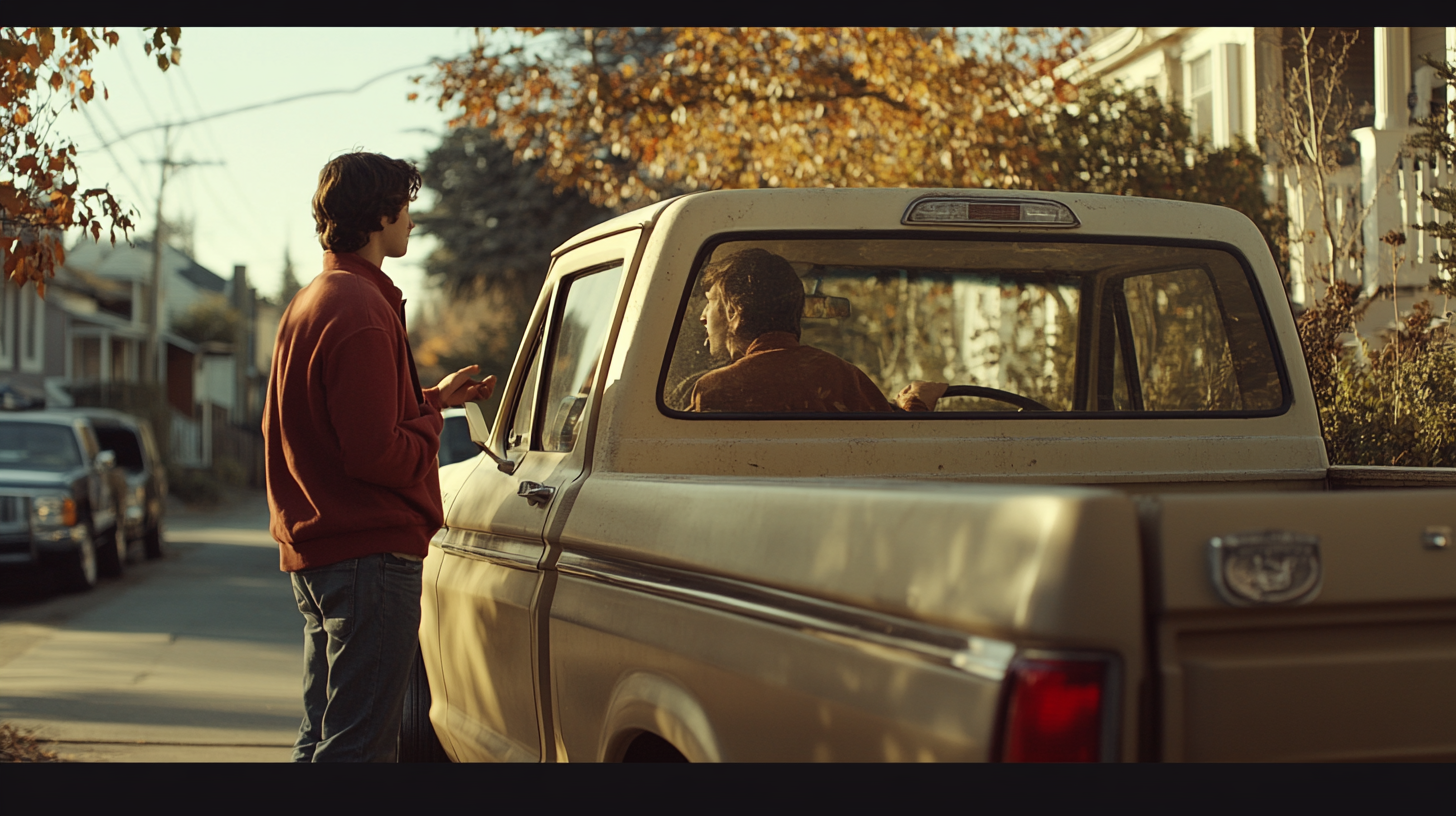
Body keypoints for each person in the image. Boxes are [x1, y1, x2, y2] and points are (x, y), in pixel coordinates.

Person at [264, 151, 495, 762]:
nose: (413, 220)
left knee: (323, 740)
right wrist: (426, 423)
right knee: (361, 749)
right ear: (378, 215)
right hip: (368, 556)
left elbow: (336, 417)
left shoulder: (315, 299)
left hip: (326, 553)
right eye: (406, 207)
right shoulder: (361, 308)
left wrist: (430, 399)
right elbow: (376, 454)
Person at [690, 248, 948, 413]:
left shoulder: (715, 390)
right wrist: (916, 403)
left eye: (711, 301)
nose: (703, 316)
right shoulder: (843, 377)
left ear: (734, 312)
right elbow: (895, 449)